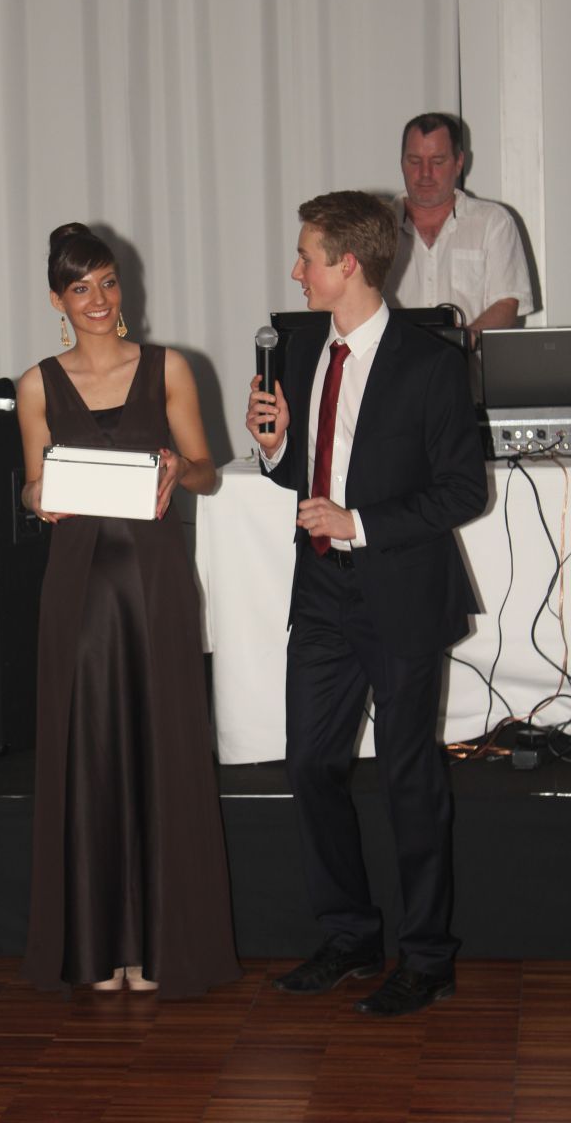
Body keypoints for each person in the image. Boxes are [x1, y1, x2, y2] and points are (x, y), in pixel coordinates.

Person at [246, 192, 487, 1017]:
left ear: (348, 264)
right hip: (320, 589)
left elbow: (464, 490)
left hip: (400, 589)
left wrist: (360, 523)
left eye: (306, 256)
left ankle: (427, 957)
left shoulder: (431, 364)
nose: (295, 270)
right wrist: (274, 444)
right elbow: (299, 467)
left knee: (410, 775)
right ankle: (350, 936)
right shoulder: (302, 347)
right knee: (309, 764)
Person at [17, 223, 240, 998]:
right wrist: (36, 497)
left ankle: (159, 947)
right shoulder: (37, 385)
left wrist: (182, 468)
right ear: (57, 299)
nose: (98, 299)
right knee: (90, 751)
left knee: (163, 747)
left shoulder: (168, 367)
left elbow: (209, 471)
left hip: (156, 577)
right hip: (78, 585)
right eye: (81, 288)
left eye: (108, 282)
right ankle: (97, 947)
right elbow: (32, 484)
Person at [385, 112, 534, 334]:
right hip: (395, 356)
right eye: (415, 161)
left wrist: (459, 345)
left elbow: (507, 303)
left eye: (437, 161)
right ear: (402, 162)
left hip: (469, 355)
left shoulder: (493, 222)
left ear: (459, 163)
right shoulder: (375, 226)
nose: (425, 173)